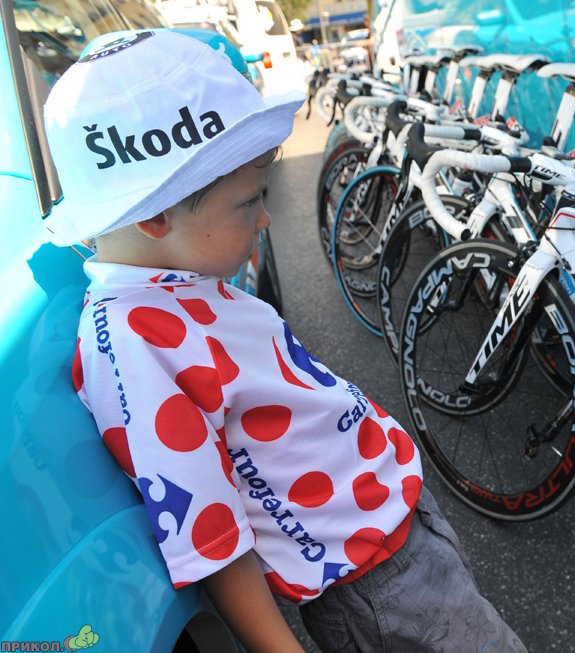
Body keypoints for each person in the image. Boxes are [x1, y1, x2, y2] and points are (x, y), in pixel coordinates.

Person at [43, 30, 526, 653]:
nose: (266, 218)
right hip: (376, 582)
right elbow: (209, 533)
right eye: (249, 202)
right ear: (154, 215)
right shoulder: (133, 344)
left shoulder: (172, 286)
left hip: (392, 537)